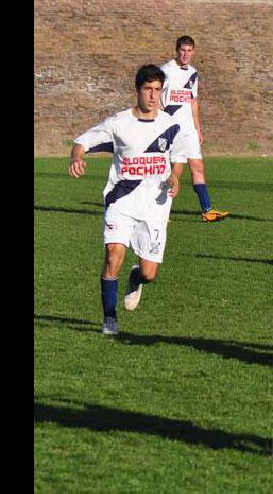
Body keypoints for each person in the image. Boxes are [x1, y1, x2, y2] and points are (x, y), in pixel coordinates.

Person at [68, 64, 192, 336]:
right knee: (113, 257)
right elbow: (83, 141)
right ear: (137, 89)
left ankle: (136, 277)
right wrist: (77, 157)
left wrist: (175, 177)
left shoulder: (170, 125)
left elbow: (179, 159)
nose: (153, 95)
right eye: (148, 89)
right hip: (121, 201)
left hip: (155, 205)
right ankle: (109, 318)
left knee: (149, 273)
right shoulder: (119, 122)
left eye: (158, 90)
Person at [159, 35, 230, 222]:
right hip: (171, 129)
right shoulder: (165, 71)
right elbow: (158, 100)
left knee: (198, 166)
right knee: (175, 170)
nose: (186, 54)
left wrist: (198, 128)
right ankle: (162, 213)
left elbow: (193, 101)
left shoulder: (193, 73)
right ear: (176, 50)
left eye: (189, 51)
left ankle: (207, 210)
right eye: (183, 50)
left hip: (189, 129)